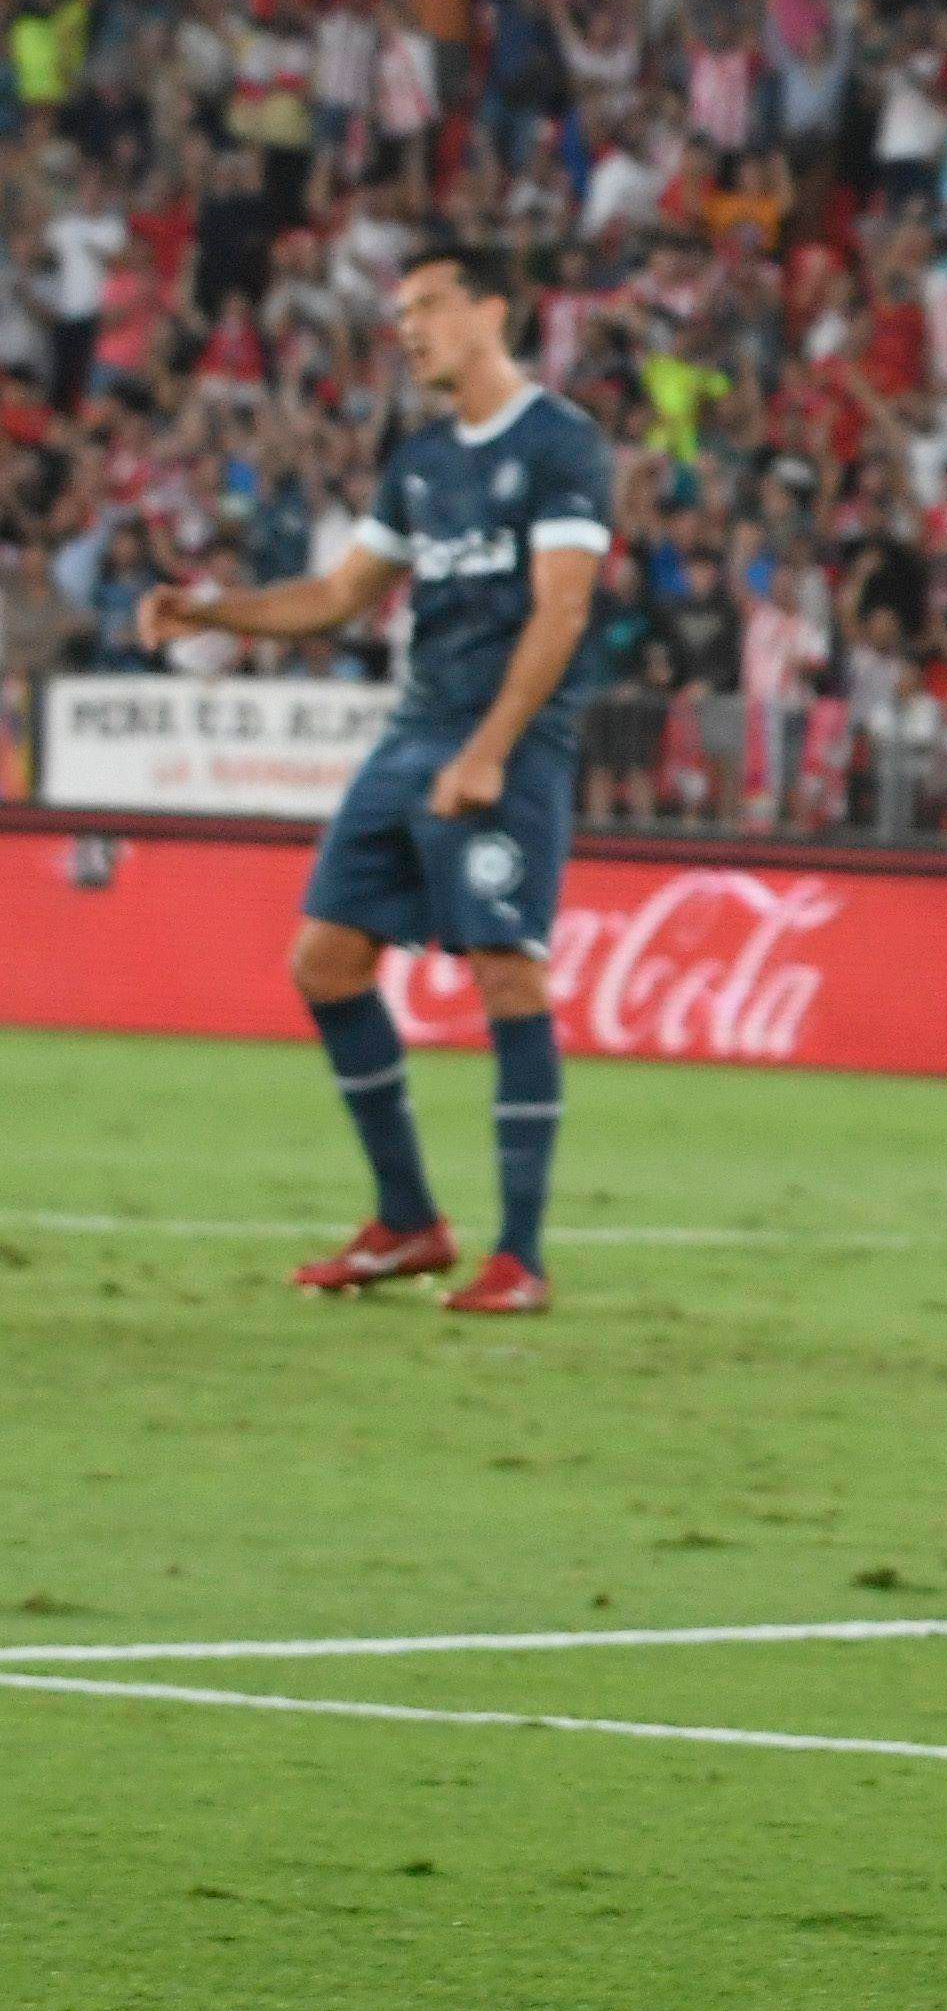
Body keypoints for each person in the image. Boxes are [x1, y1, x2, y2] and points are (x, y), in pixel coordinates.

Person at [150, 241, 609, 1317]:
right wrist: (210, 608)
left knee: (506, 974)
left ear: (495, 308)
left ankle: (523, 1257)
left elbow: (565, 608)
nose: (409, 328)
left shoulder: (560, 443)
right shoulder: (418, 460)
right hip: (413, 735)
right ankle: (409, 1222)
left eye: (432, 305)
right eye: (401, 311)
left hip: (510, 738)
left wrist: (492, 744)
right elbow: (339, 593)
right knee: (324, 961)